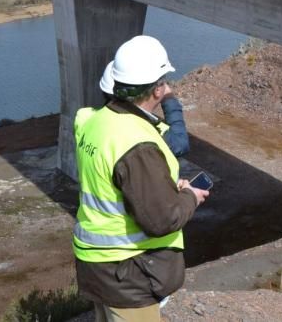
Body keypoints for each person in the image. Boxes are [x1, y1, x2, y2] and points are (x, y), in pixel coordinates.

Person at [74, 35, 209, 321]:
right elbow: (162, 220)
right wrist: (189, 196)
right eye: (163, 82)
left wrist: (163, 187)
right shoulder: (137, 142)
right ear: (158, 89)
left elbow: (116, 183)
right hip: (128, 275)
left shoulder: (92, 122)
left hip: (96, 266)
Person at [100, 60, 190, 157]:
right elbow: (180, 144)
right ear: (157, 90)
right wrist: (169, 99)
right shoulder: (147, 132)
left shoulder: (87, 119)